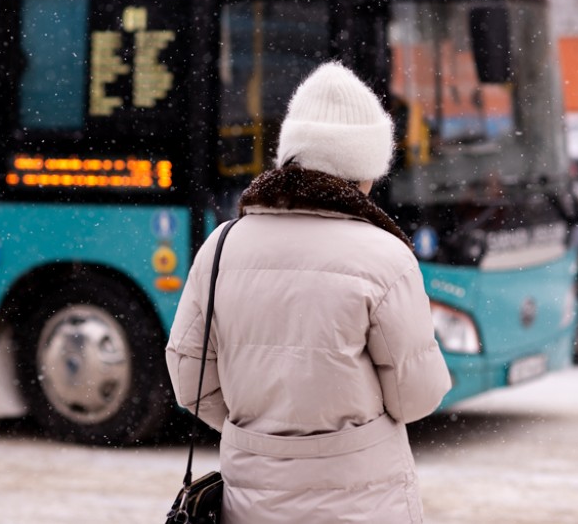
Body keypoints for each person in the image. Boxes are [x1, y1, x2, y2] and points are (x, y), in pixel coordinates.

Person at [166, 62, 452, 524]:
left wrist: (266, 439)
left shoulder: (221, 245)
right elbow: (415, 396)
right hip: (362, 504)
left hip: (248, 502)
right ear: (365, 167)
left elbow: (189, 376)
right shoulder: (386, 257)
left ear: (292, 156)